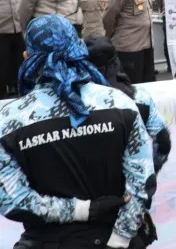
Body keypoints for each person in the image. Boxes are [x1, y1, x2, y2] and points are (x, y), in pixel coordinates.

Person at [0, 15, 155, 249]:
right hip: (115, 238)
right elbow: (142, 182)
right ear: (79, 49)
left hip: (48, 241)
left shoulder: (8, 119)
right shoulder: (119, 103)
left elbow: (12, 200)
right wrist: (120, 239)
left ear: (27, 57)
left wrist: (81, 211)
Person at [85, 36, 171, 248]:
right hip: (130, 200)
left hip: (88, 202)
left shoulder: (74, 103)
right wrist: (149, 169)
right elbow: (163, 140)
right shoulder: (138, 98)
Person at [103, 0, 156, 84]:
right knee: (133, 86)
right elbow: (109, 15)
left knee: (149, 84)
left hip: (146, 45)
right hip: (129, 48)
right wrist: (110, 37)